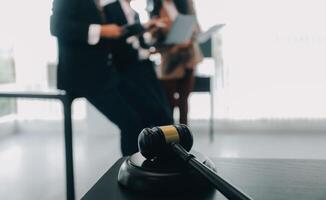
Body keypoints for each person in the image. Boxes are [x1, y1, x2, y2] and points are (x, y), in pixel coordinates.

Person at [50, 0, 172, 156]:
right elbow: (57, 26)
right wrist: (101, 30)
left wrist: (139, 27)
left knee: (148, 115)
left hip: (107, 72)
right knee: (131, 124)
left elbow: (114, 31)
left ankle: (146, 166)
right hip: (84, 76)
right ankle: (131, 174)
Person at [103, 0, 173, 128]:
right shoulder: (110, 9)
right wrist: (143, 26)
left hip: (145, 66)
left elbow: (141, 45)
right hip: (128, 70)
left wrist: (152, 44)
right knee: (147, 114)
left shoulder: (135, 13)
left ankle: (164, 145)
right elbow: (115, 40)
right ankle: (150, 145)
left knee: (164, 111)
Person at [148, 0, 203, 125]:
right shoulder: (155, 9)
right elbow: (153, 38)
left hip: (188, 56)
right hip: (169, 59)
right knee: (169, 101)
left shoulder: (186, 3)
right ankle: (169, 133)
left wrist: (189, 39)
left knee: (184, 100)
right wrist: (155, 28)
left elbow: (196, 27)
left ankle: (184, 134)